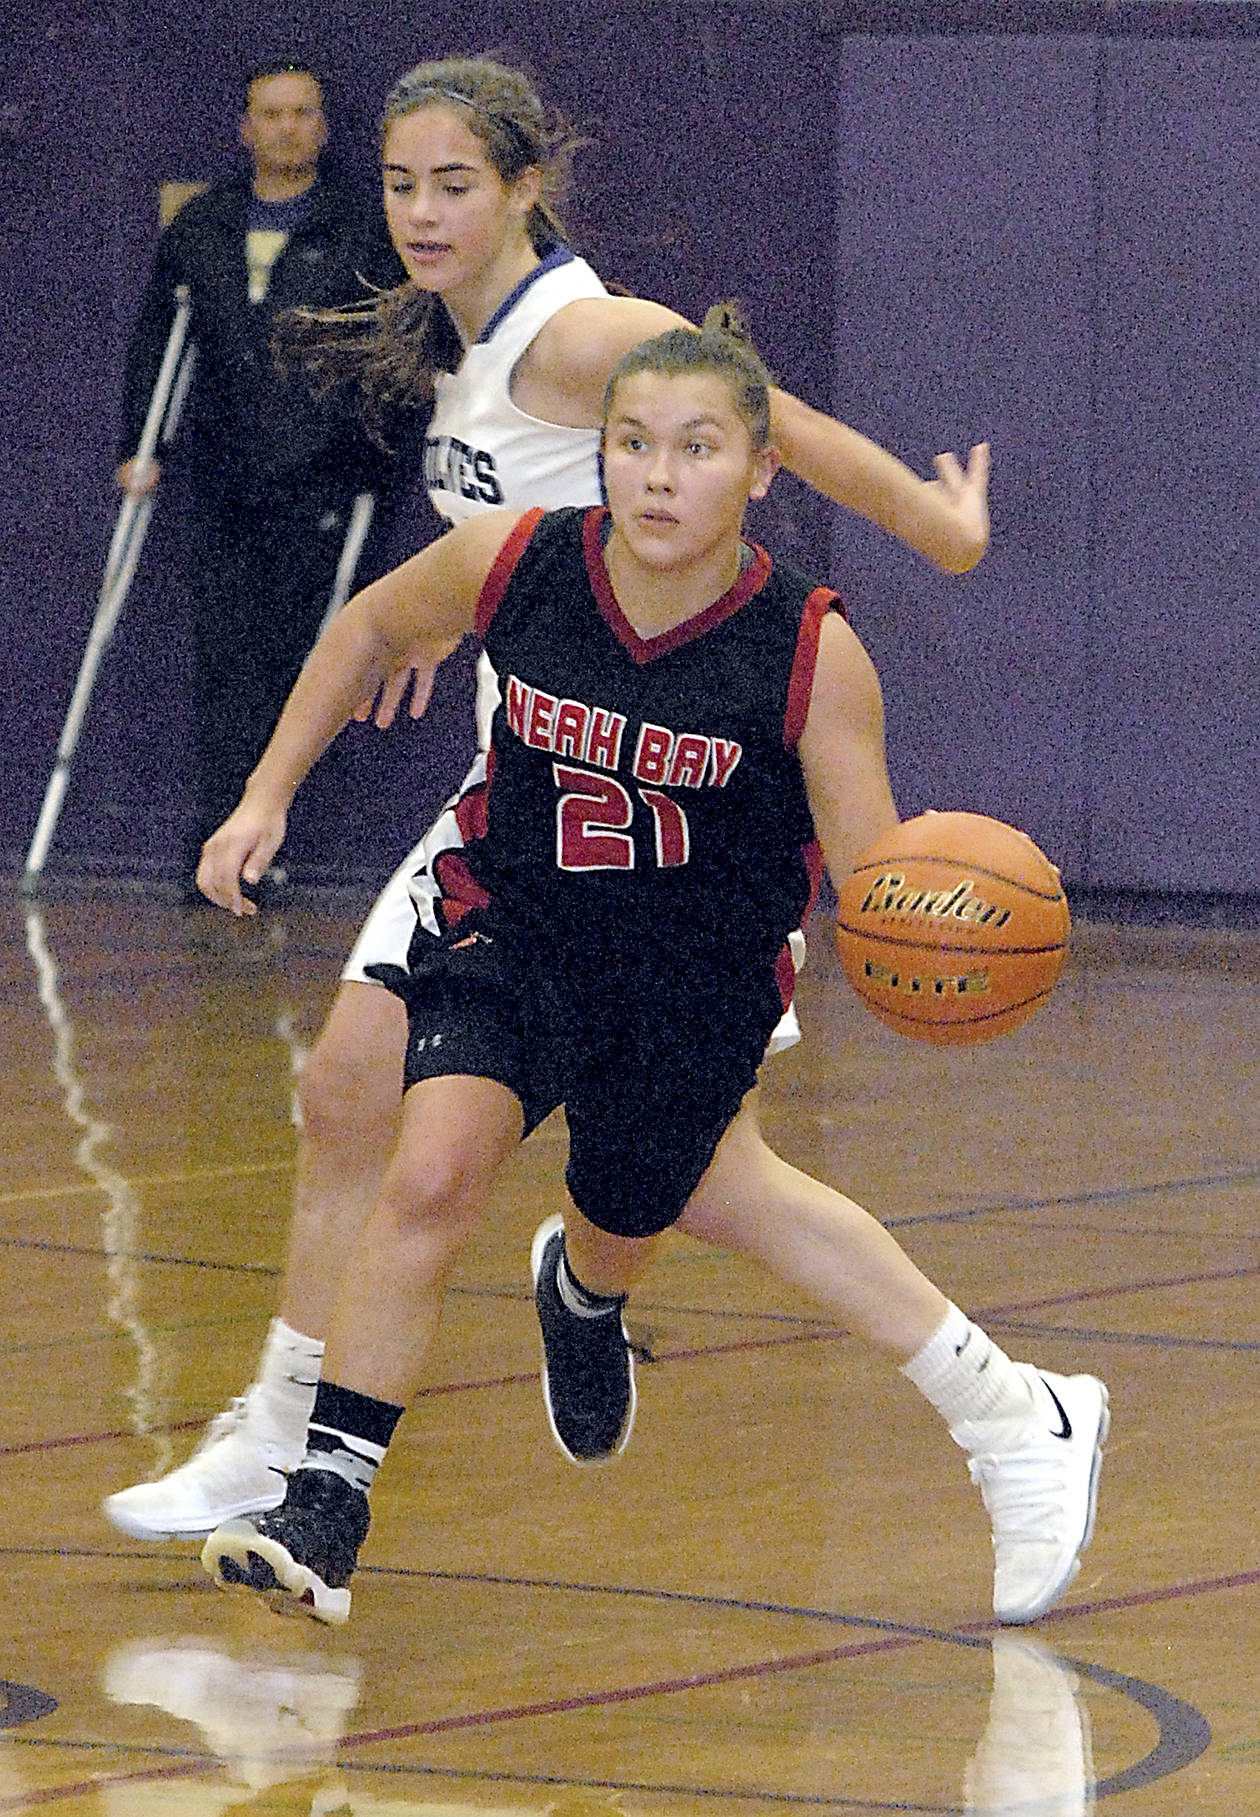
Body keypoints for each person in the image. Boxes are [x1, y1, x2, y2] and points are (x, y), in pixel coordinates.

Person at [103, 55, 992, 1544]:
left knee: (700, 1180)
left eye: (456, 183)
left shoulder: (585, 336)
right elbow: (524, 531)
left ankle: (993, 1403)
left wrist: (935, 527)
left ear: (525, 186)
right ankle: (295, 1430)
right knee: (353, 1099)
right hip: (530, 780)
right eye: (399, 184)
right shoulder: (462, 338)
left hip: (640, 818)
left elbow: (779, 426)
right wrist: (448, 619)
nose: (422, 211)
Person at [192, 315, 1107, 1629]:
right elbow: (369, 629)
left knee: (663, 1204)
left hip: (695, 974)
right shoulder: (522, 559)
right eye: (631, 444)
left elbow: (873, 874)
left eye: (695, 447)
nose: (658, 474)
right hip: (516, 920)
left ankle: (603, 1293)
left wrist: (941, 929)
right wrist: (264, 796)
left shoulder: (809, 648)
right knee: (433, 1167)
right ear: (599, 454)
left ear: (759, 470)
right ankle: (327, 1503)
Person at [115, 57, 410, 867]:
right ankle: (220, 836)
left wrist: (375, 453)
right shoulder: (202, 226)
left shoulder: (360, 227)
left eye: (302, 113)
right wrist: (141, 447)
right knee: (223, 663)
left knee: (299, 658)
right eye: (270, 113)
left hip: (319, 475)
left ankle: (273, 840)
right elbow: (156, 345)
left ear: (323, 126)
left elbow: (391, 351)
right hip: (222, 475)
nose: (285, 127)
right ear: (246, 127)